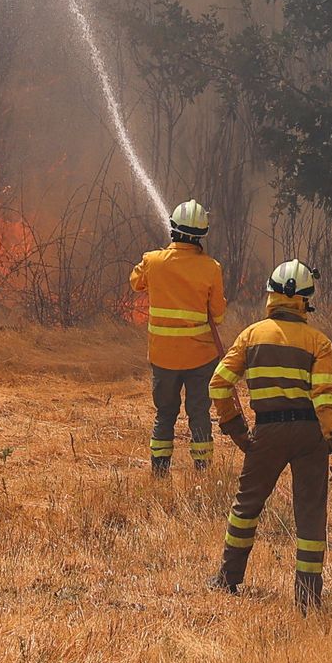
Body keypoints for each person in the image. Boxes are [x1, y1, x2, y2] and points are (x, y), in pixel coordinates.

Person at [209, 259, 332, 607]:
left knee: (247, 505)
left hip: (267, 431)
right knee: (311, 514)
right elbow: (325, 399)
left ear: (271, 294)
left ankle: (228, 578)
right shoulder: (319, 342)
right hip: (310, 435)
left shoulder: (251, 335)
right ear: (305, 301)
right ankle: (308, 598)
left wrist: (236, 429)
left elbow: (219, 384)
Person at [125, 199, 228, 477]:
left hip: (164, 357)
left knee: (165, 413)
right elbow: (218, 315)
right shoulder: (211, 267)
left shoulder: (153, 261)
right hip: (201, 358)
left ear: (172, 229)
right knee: (199, 413)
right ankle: (203, 471)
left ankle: (160, 472)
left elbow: (135, 282)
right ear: (202, 234)